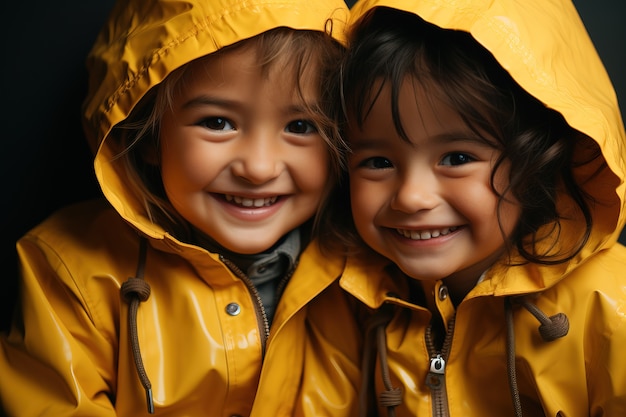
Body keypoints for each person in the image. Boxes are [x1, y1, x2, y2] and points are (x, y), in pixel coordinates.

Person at [0, 0, 363, 416]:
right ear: (151, 135)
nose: (259, 168)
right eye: (217, 122)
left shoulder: (361, 278)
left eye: (301, 127)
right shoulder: (69, 273)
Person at [333, 0, 626, 416]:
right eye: (378, 162)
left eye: (455, 158)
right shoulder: (356, 307)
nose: (412, 197)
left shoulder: (612, 308)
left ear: (534, 159)